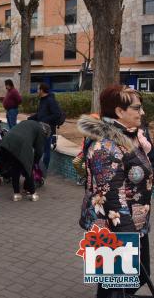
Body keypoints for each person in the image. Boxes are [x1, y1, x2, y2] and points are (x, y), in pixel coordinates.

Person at [78, 85, 152, 297]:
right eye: (137, 108)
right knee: (114, 287)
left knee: (133, 279)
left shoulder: (132, 136)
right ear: (119, 112)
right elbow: (111, 198)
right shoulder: (106, 147)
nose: (142, 113)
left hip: (133, 225)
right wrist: (129, 237)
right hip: (114, 228)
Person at [0, 120, 51, 201]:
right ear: (45, 132)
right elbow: (39, 151)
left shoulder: (30, 123)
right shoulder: (40, 131)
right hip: (21, 145)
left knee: (15, 168)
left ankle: (16, 194)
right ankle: (33, 194)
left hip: (7, 142)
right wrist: (34, 162)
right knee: (28, 168)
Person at [27, 83, 62, 170]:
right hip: (40, 128)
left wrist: (44, 120)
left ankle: (44, 169)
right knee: (38, 149)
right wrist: (30, 118)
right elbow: (40, 114)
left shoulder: (50, 100)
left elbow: (57, 114)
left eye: (38, 89)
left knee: (46, 150)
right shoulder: (42, 100)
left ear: (42, 90)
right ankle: (37, 167)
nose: (37, 91)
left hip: (48, 130)